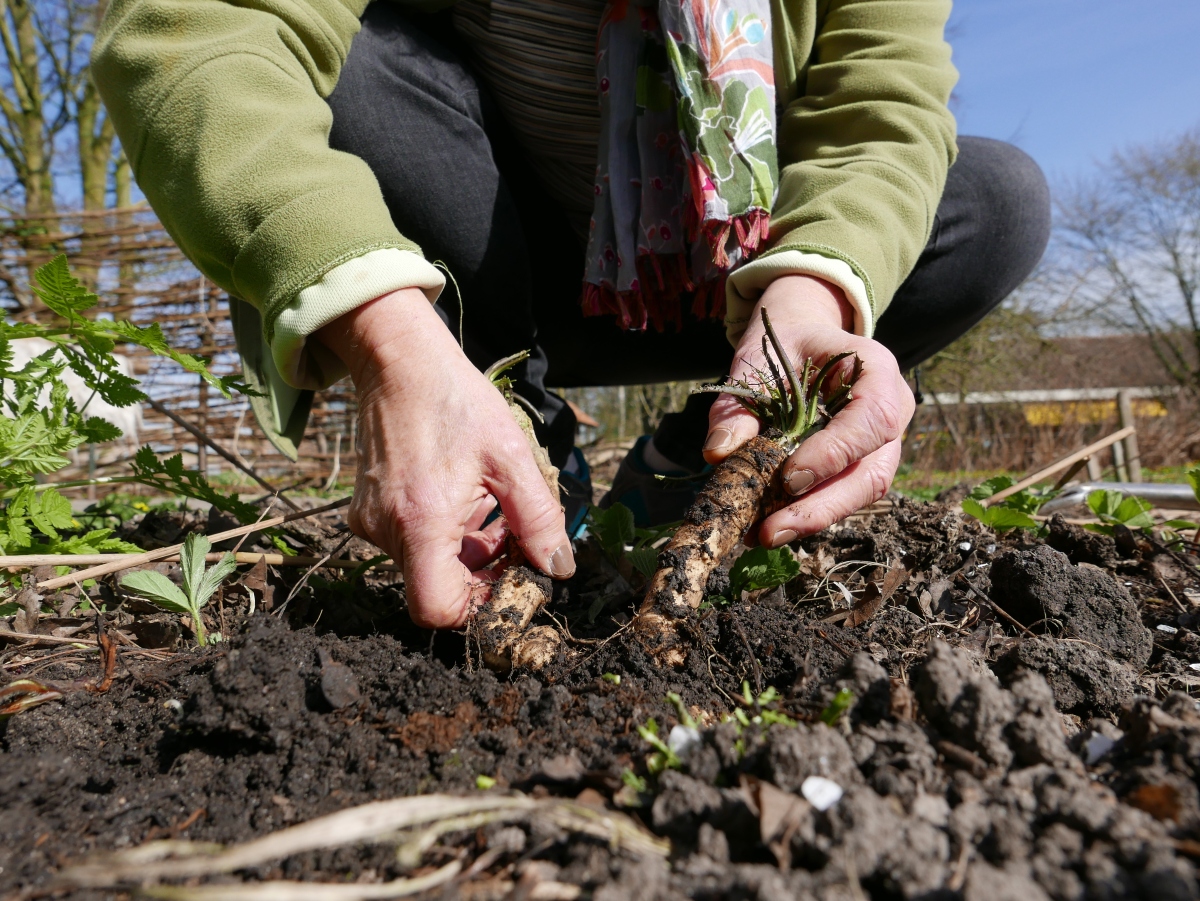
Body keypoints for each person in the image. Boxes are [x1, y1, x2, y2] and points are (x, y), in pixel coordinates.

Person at [92, 0, 1050, 632]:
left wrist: (813, 294)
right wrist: (385, 332)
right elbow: (195, 33)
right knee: (359, 65)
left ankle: (694, 461)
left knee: (993, 200)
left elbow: (883, 104)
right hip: (473, 265)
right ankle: (520, 447)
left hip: (725, 276)